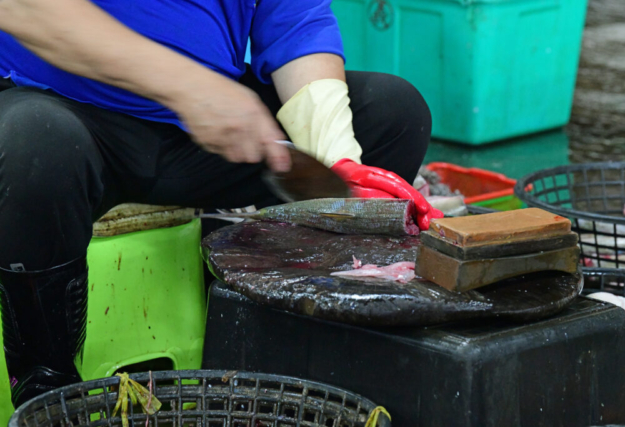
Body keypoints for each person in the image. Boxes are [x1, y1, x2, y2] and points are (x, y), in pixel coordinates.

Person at [0, 0, 441, 407]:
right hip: (66, 110)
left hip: (208, 128)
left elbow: (295, 22)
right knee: (32, 140)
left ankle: (301, 356)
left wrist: (336, 155)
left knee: (392, 113)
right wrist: (187, 85)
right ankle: (46, 387)